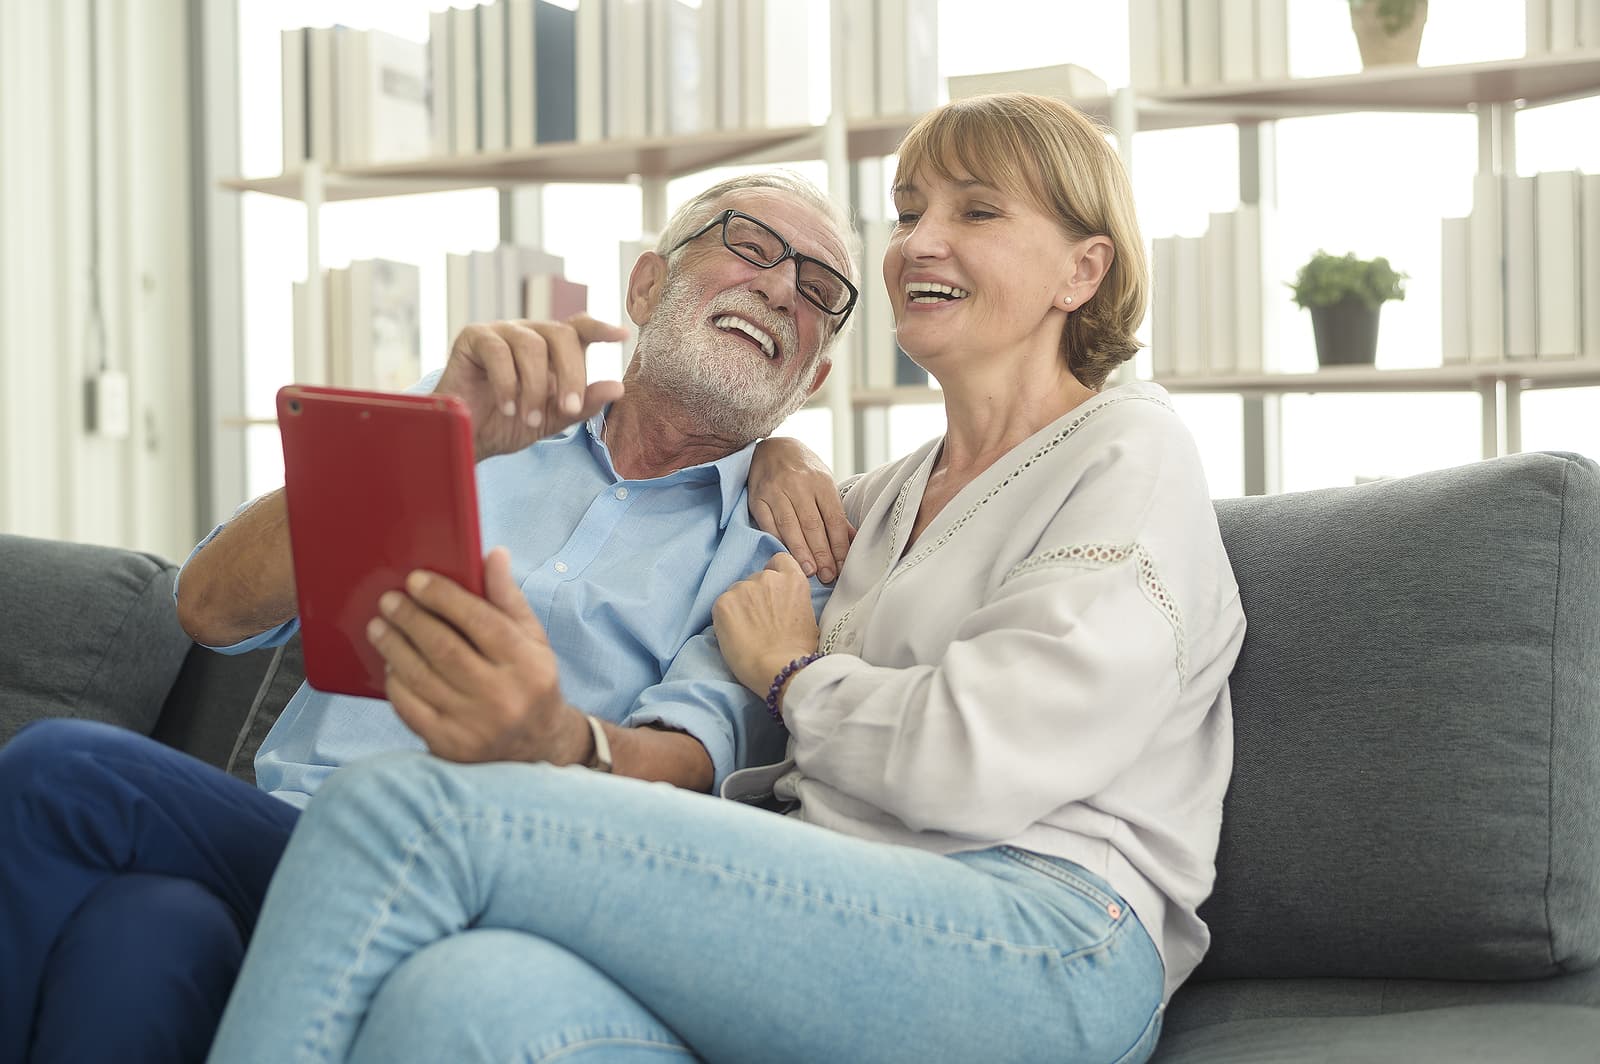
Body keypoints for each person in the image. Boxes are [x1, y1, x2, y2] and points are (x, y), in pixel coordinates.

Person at [205, 93, 1247, 1064]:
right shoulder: (867, 506)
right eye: (908, 210)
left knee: (402, 810)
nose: (920, 242)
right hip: (836, 914)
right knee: (462, 994)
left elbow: (977, 756)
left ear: (1081, 272)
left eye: (976, 211)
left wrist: (795, 677)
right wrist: (774, 455)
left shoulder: (1127, 449)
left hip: (1046, 934)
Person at [0, 169, 860, 1064]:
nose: (780, 286)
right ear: (647, 285)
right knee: (144, 932)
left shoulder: (777, 549)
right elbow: (206, 606)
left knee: (63, 768)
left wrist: (552, 736)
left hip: (477, 877)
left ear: (814, 374)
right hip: (295, 827)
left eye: (820, 291)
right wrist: (426, 420)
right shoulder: (470, 420)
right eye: (751, 245)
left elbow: (692, 762)